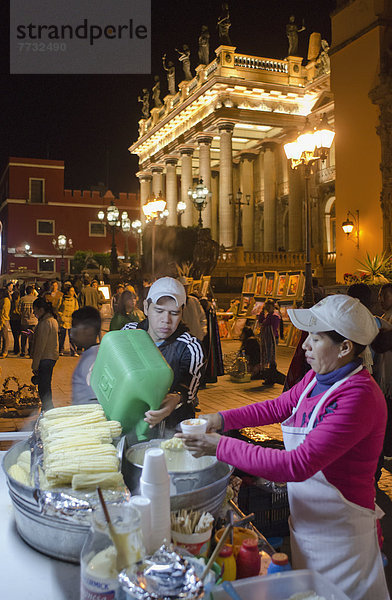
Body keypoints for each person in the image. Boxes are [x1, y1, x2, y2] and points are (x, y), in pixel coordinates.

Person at [178, 294, 389, 600]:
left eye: (315, 340)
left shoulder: (358, 398)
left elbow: (296, 465)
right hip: (309, 526)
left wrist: (217, 445)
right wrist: (220, 418)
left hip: (343, 540)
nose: (304, 346)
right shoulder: (317, 379)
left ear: (345, 348)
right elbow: (277, 406)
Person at [122, 277, 204, 429]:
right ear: (146, 307)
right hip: (130, 421)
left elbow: (188, 390)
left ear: (182, 313)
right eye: (159, 311)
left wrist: (176, 397)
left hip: (173, 428)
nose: (166, 320)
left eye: (174, 313)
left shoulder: (191, 348)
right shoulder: (128, 333)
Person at [31, 297, 59, 411]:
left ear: (41, 310)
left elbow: (40, 347)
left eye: (35, 310)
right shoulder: (52, 320)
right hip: (51, 357)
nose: (33, 313)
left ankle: (48, 409)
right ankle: (48, 409)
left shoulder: (45, 323)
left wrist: (35, 365)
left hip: (45, 358)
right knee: (46, 385)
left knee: (43, 388)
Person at [70, 307, 101, 405]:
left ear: (89, 330)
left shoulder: (91, 361)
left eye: (75, 327)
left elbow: (94, 400)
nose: (72, 332)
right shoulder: (92, 355)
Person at [258, 299, 280, 383]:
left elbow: (266, 324)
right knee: (266, 355)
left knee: (271, 357)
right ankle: (268, 376)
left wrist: (268, 315)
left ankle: (271, 376)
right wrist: (262, 312)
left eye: (269, 306)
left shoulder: (274, 316)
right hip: (267, 338)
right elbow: (260, 321)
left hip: (272, 339)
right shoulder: (269, 315)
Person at [58, 286, 79, 356]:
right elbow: (57, 309)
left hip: (71, 320)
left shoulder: (74, 300)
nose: (72, 292)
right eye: (71, 291)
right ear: (67, 292)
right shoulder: (62, 299)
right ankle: (60, 350)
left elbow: (76, 309)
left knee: (72, 337)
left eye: (73, 291)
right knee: (62, 337)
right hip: (63, 320)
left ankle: (73, 351)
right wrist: (61, 316)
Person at [19, 285, 38, 357]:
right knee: (32, 338)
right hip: (34, 321)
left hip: (24, 321)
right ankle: (31, 352)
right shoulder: (36, 299)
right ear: (33, 291)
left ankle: (23, 352)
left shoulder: (22, 299)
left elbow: (18, 309)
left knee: (24, 337)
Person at [0, 287, 11, 358]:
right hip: (2, 319)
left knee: (5, 336)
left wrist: (2, 321)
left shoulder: (6, 300)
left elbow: (4, 311)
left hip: (4, 320)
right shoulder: (3, 300)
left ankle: (5, 351)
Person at [10, 289, 21, 354]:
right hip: (19, 320)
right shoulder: (19, 302)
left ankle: (16, 348)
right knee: (18, 335)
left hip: (13, 320)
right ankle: (17, 348)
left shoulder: (12, 303)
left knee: (15, 335)